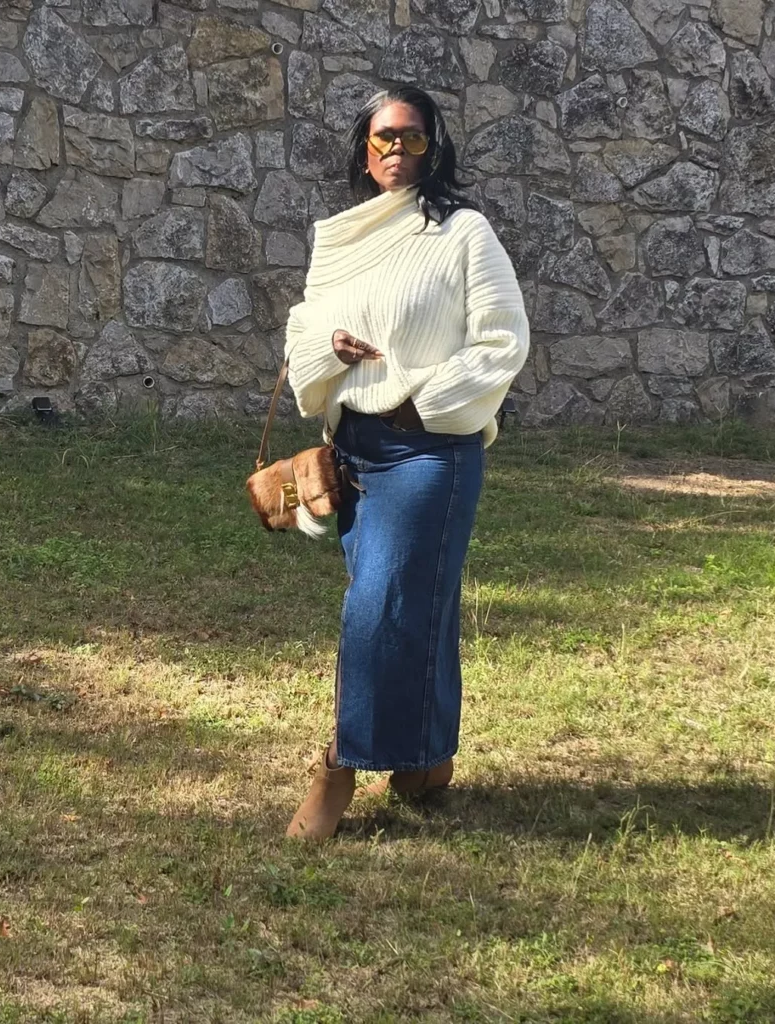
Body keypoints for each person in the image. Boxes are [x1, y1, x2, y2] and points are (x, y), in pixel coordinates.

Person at [283, 85, 530, 841]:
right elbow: (302, 330)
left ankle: (338, 766)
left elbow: (502, 340)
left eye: (412, 139)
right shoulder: (343, 238)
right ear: (364, 148)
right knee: (416, 603)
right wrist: (329, 349)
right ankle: (423, 760)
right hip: (353, 452)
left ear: (434, 147)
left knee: (377, 604)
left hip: (430, 451)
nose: (396, 150)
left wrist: (419, 404)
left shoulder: (462, 233)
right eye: (383, 138)